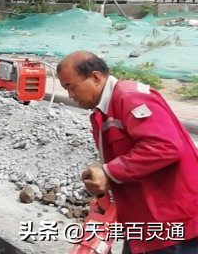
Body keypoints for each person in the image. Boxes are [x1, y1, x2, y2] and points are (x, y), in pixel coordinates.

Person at [57, 51, 198, 254]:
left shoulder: (130, 98)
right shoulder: (103, 112)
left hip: (174, 221)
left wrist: (108, 172)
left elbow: (165, 146)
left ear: (95, 77)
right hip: (145, 220)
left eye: (71, 87)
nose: (70, 95)